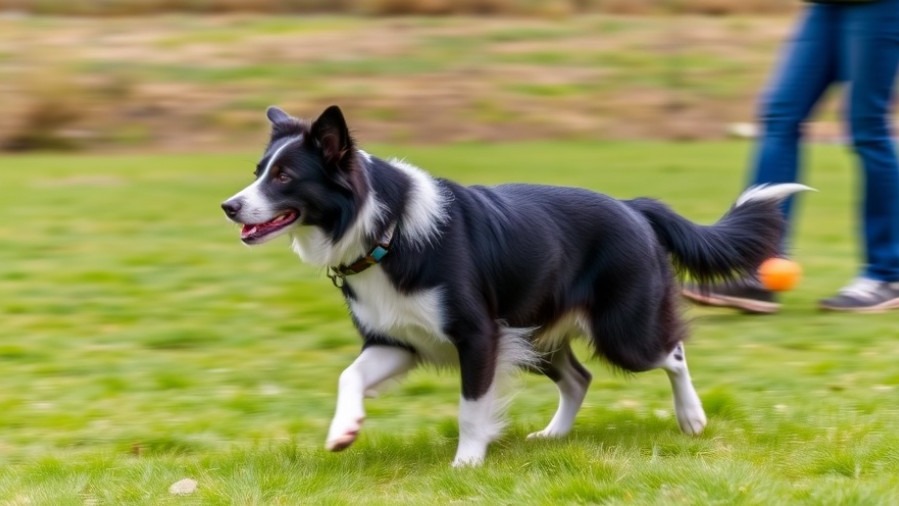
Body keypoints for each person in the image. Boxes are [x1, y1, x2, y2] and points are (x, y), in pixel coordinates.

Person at [682, 0, 899, 314]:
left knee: (867, 126)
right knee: (781, 115)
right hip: (826, 6)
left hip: (879, 6)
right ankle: (759, 268)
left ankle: (887, 274)